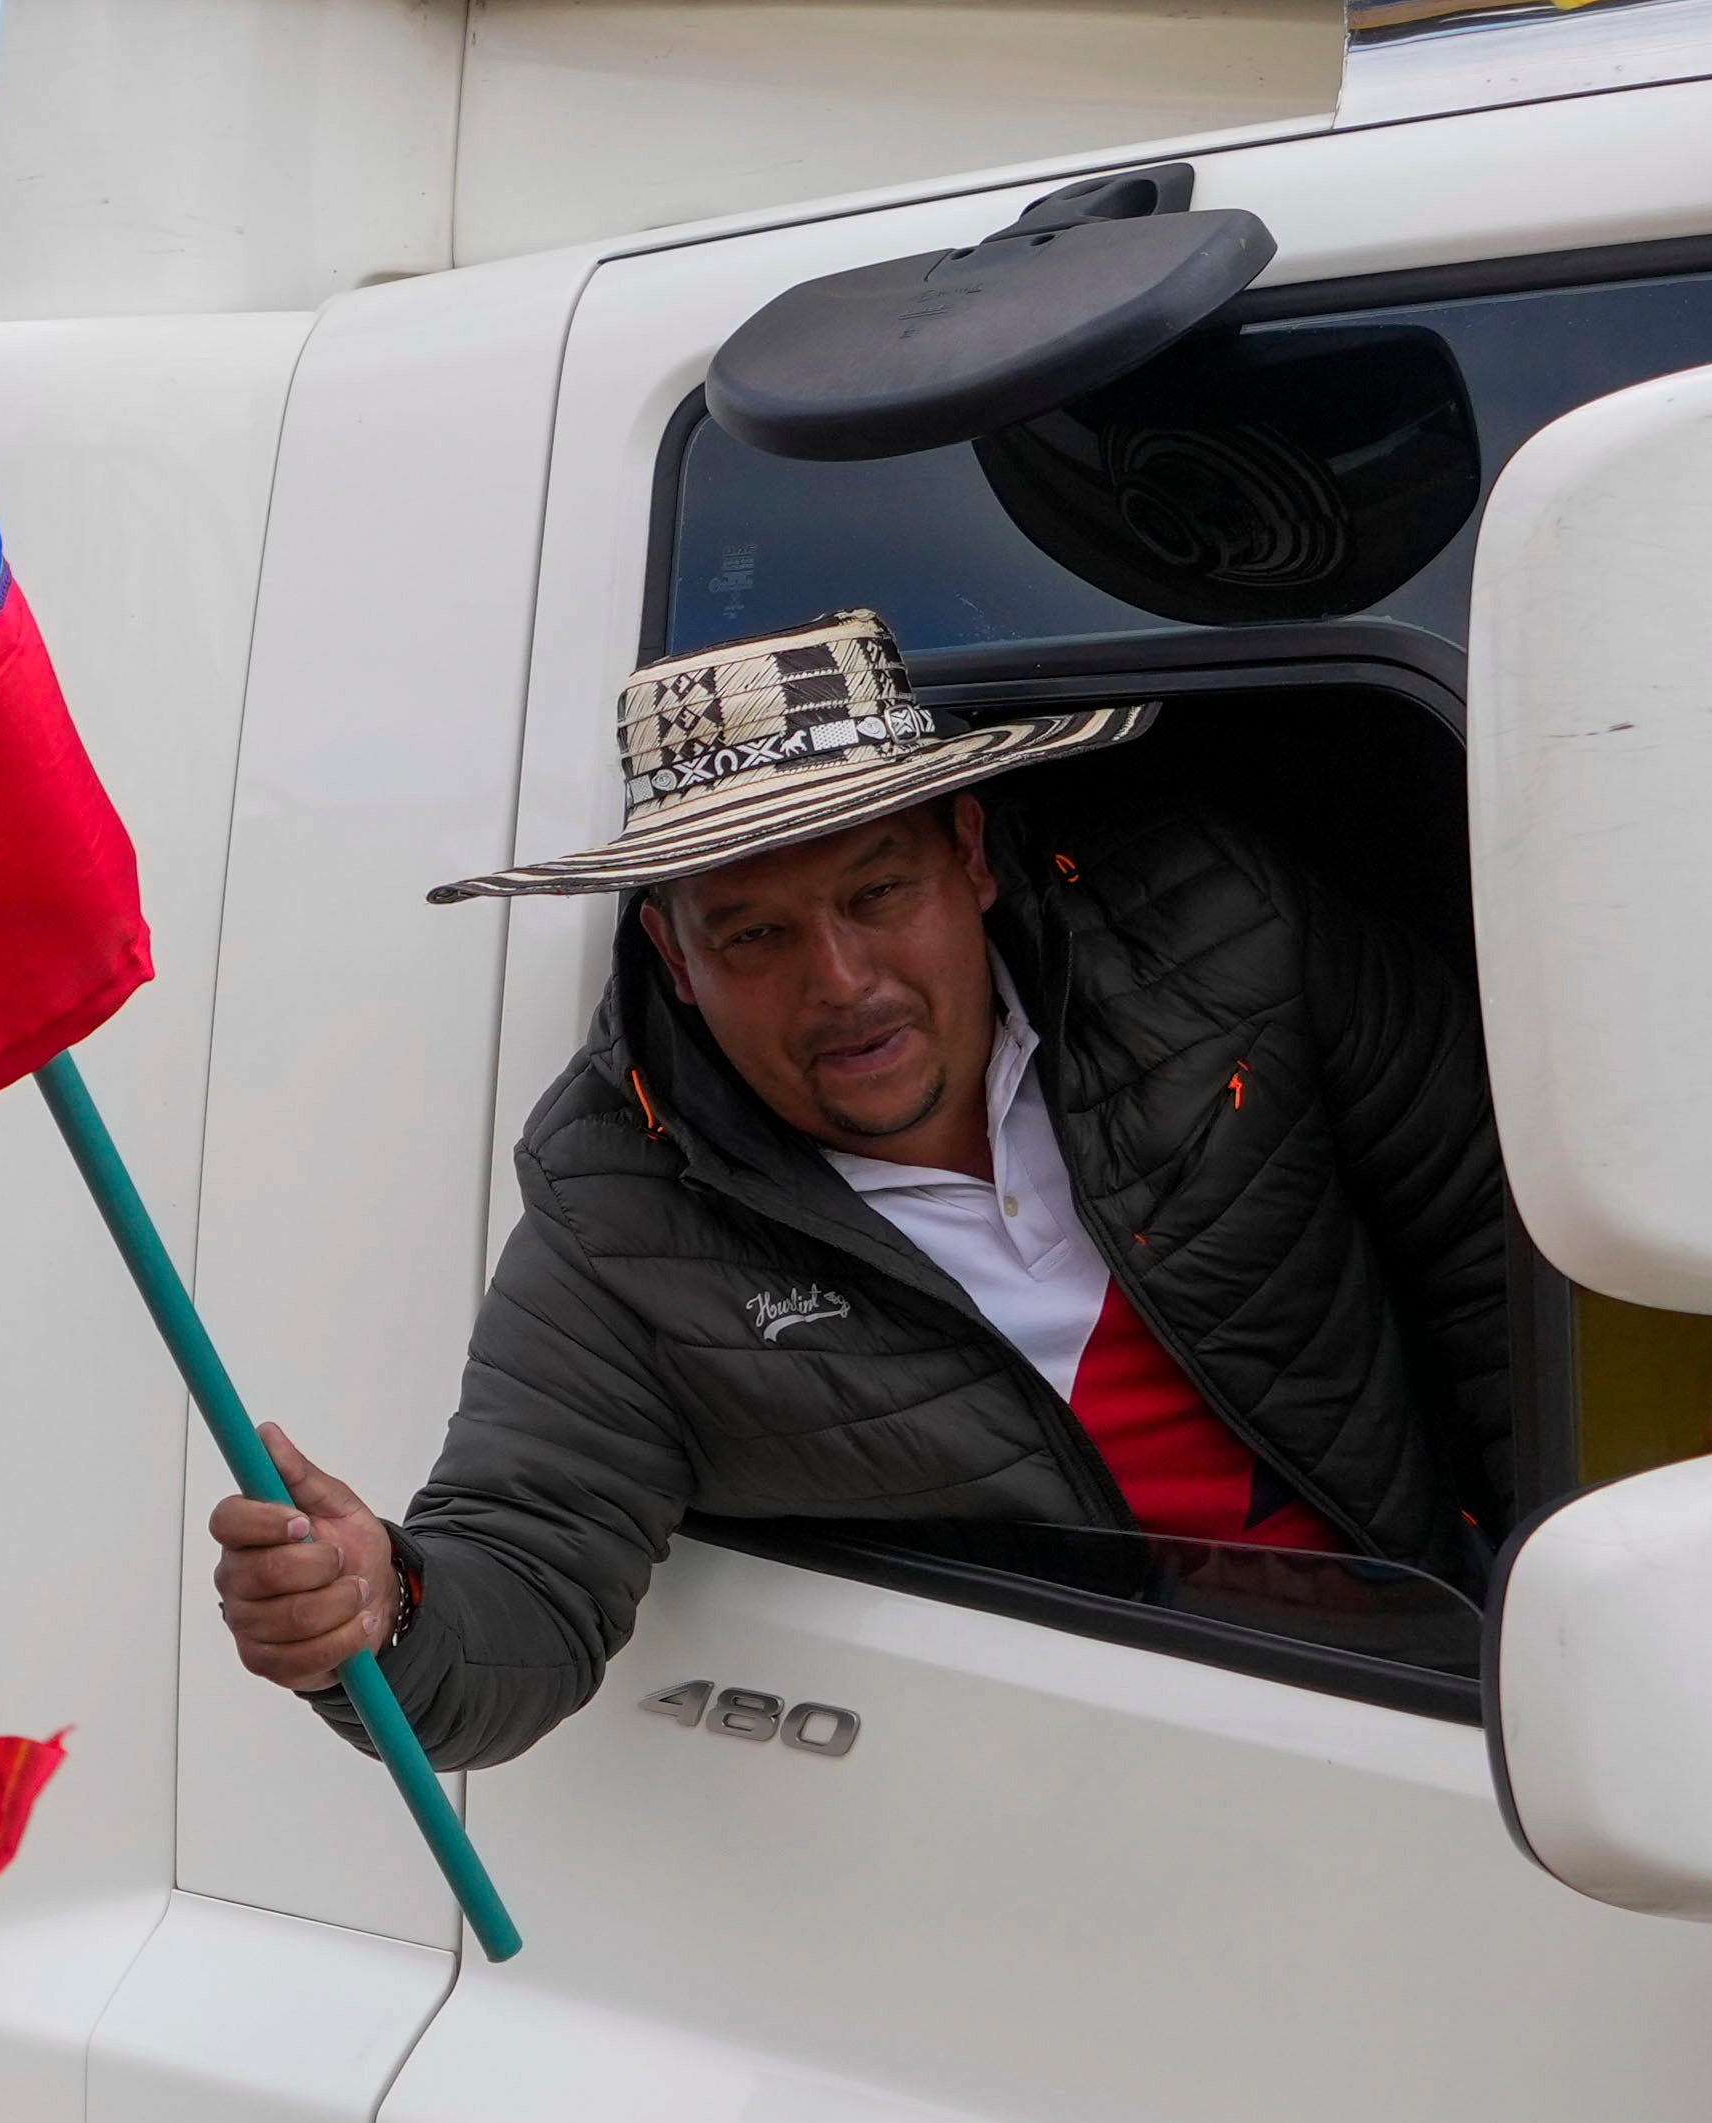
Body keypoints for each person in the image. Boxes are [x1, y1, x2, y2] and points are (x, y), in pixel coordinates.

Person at [207, 618, 1520, 1767]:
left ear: (971, 854)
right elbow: (528, 1575)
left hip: (1444, 1703)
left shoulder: (1222, 935)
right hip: (1091, 1794)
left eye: (878, 891)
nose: (840, 982)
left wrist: (1553, 1613)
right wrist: (386, 1622)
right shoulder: (622, 1213)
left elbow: (1507, 1274)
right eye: (754, 933)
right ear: (672, 953)